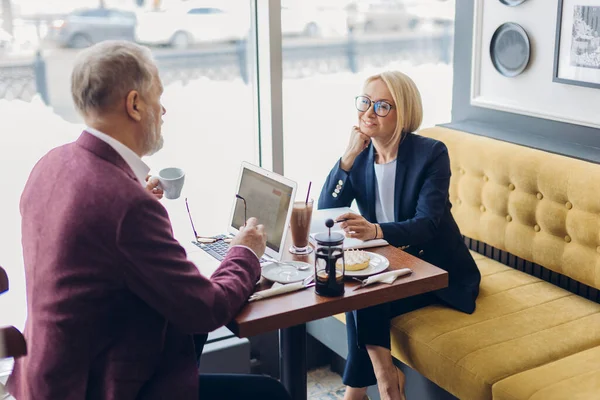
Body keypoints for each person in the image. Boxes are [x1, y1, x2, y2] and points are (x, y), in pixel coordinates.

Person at [7, 40, 290, 400]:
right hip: (95, 387)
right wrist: (245, 253)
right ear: (135, 104)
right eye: (158, 96)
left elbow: (88, 240)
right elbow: (206, 308)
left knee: (188, 337)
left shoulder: (51, 164)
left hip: (46, 376)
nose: (164, 109)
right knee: (270, 394)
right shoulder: (126, 206)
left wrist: (128, 187)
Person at [318, 71, 481, 400]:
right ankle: (382, 379)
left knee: (364, 288)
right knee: (360, 284)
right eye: (365, 102)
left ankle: (363, 387)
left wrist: (375, 230)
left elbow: (428, 225)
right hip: (390, 264)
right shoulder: (362, 156)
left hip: (435, 270)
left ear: (403, 112)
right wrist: (347, 159)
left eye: (381, 106)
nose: (367, 112)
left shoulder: (431, 154)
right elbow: (327, 213)